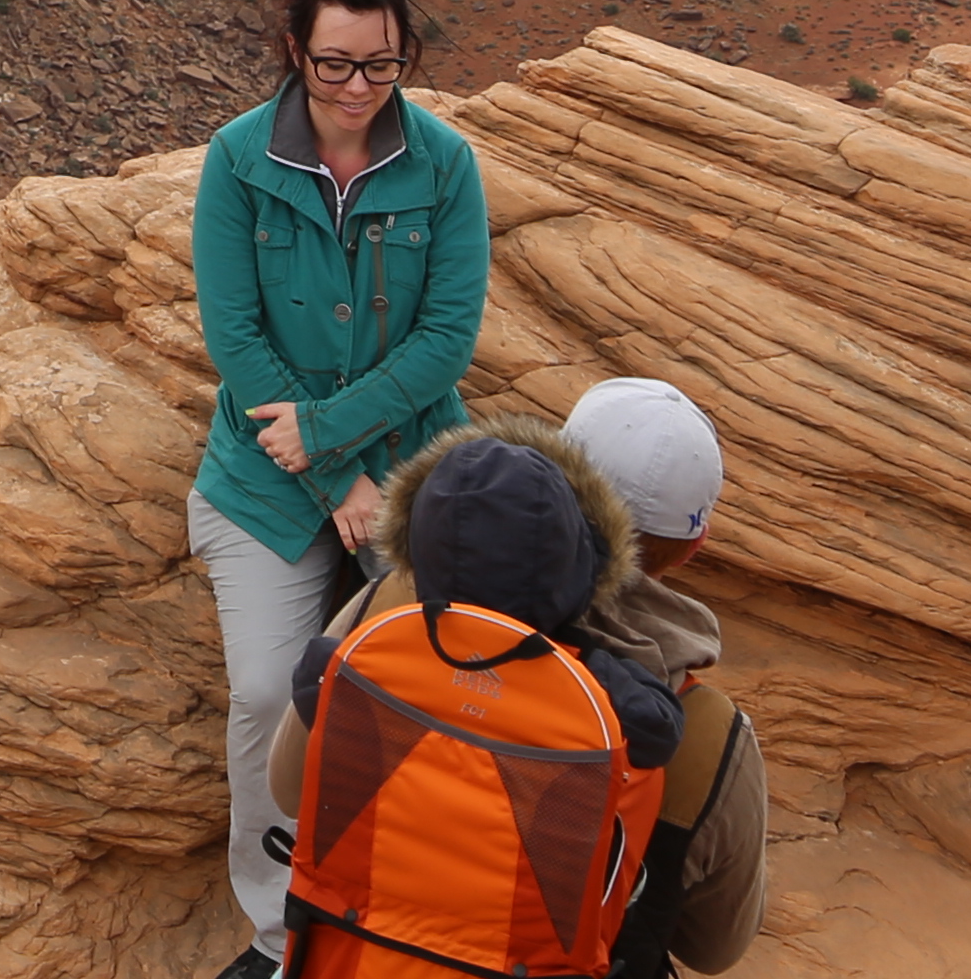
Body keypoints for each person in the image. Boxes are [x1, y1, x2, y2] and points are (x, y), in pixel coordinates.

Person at [189, 0, 488, 979]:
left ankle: (414, 920)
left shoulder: (443, 164)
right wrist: (331, 477)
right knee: (272, 696)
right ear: (294, 55)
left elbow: (447, 340)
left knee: (446, 694)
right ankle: (280, 937)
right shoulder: (237, 162)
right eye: (334, 66)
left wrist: (337, 440)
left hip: (413, 475)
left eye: (381, 66)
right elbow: (238, 344)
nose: (358, 89)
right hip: (265, 485)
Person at [261, 416, 686, 978]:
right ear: (586, 564)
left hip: (349, 951)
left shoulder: (363, 654)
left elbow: (287, 793)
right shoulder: (610, 703)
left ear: (413, 543)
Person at [555, 378, 766, 975]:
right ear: (694, 543)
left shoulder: (407, 604)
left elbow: (290, 788)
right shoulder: (706, 737)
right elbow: (715, 948)